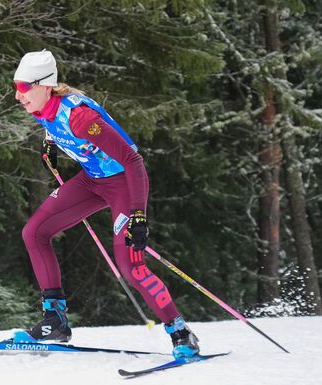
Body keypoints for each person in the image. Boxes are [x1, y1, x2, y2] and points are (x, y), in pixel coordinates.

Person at [12, 50, 200, 358]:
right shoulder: (42, 108)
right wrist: (50, 143)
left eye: (23, 87)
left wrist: (138, 215)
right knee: (34, 232)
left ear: (45, 85)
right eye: (15, 86)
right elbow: (56, 125)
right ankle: (55, 320)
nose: (18, 95)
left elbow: (132, 160)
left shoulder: (82, 117)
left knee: (131, 268)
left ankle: (179, 331)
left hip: (124, 185)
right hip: (92, 180)